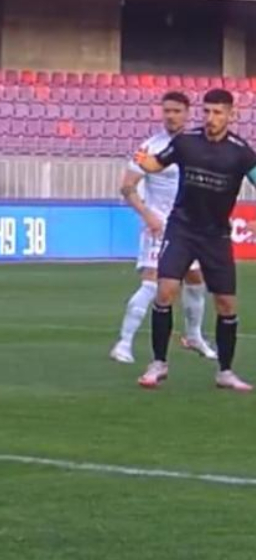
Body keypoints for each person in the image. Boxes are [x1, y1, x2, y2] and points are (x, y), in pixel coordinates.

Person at [134, 88, 256, 391]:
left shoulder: (241, 152)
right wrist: (143, 161)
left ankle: (225, 371)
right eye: (207, 112)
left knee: (226, 304)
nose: (211, 118)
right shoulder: (186, 143)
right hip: (182, 229)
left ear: (231, 115)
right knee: (165, 291)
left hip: (216, 235)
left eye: (217, 113)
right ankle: (158, 363)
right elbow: (156, 164)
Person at [111, 91, 216, 364]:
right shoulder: (151, 146)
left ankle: (193, 335)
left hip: (191, 226)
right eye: (166, 110)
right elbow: (127, 187)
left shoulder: (198, 144)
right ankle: (124, 343)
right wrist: (147, 216)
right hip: (160, 225)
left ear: (187, 113)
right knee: (152, 283)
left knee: (196, 281)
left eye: (176, 111)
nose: (170, 115)